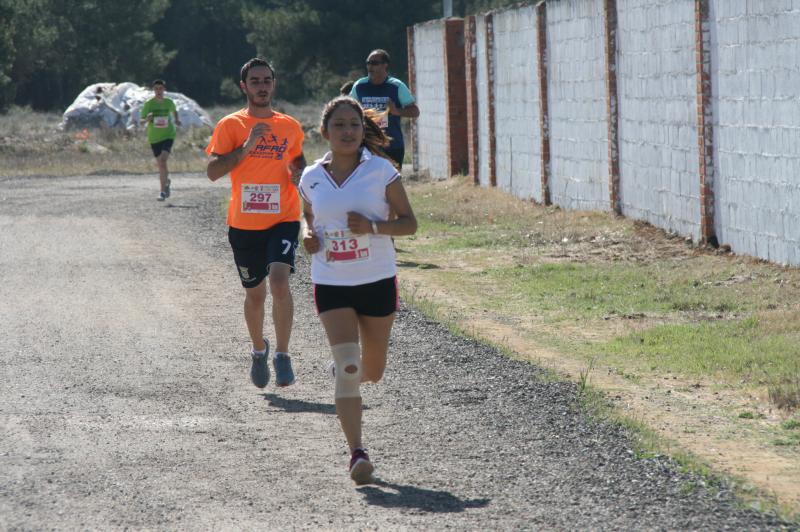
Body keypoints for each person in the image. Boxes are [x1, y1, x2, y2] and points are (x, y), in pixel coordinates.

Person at [298, 96, 417, 484]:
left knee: (373, 371)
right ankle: (357, 453)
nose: (347, 132)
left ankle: (345, 373)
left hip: (376, 280)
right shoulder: (311, 176)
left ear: (362, 130)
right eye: (339, 125)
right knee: (350, 365)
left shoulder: (381, 171)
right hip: (331, 281)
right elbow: (309, 216)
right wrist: (308, 235)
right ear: (324, 132)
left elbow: (409, 223)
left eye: (353, 125)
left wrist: (373, 227)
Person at [206, 58, 306, 389]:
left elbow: (298, 163)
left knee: (279, 282)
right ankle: (258, 350)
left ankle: (283, 354)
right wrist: (247, 146)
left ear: (273, 84)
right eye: (255, 81)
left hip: (283, 218)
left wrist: (299, 173)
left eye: (266, 80)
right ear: (244, 86)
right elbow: (213, 172)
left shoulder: (290, 126)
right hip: (244, 224)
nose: (262, 86)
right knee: (255, 295)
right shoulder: (230, 125)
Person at [349, 49, 420, 170]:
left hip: (392, 146)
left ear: (385, 65)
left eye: (374, 63)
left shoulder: (396, 86)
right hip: (367, 146)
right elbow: (349, 108)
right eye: (368, 63)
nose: (370, 66)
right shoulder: (359, 86)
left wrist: (397, 111)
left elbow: (415, 111)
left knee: (392, 181)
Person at [140, 79, 181, 201]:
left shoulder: (169, 102)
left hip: (168, 135)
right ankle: (166, 181)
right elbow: (141, 121)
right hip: (154, 138)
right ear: (153, 90)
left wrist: (177, 120)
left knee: (163, 161)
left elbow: (174, 111)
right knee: (161, 165)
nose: (158, 91)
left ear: (164, 89)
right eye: (156, 89)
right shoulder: (149, 104)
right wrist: (147, 119)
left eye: (160, 88)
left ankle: (162, 192)